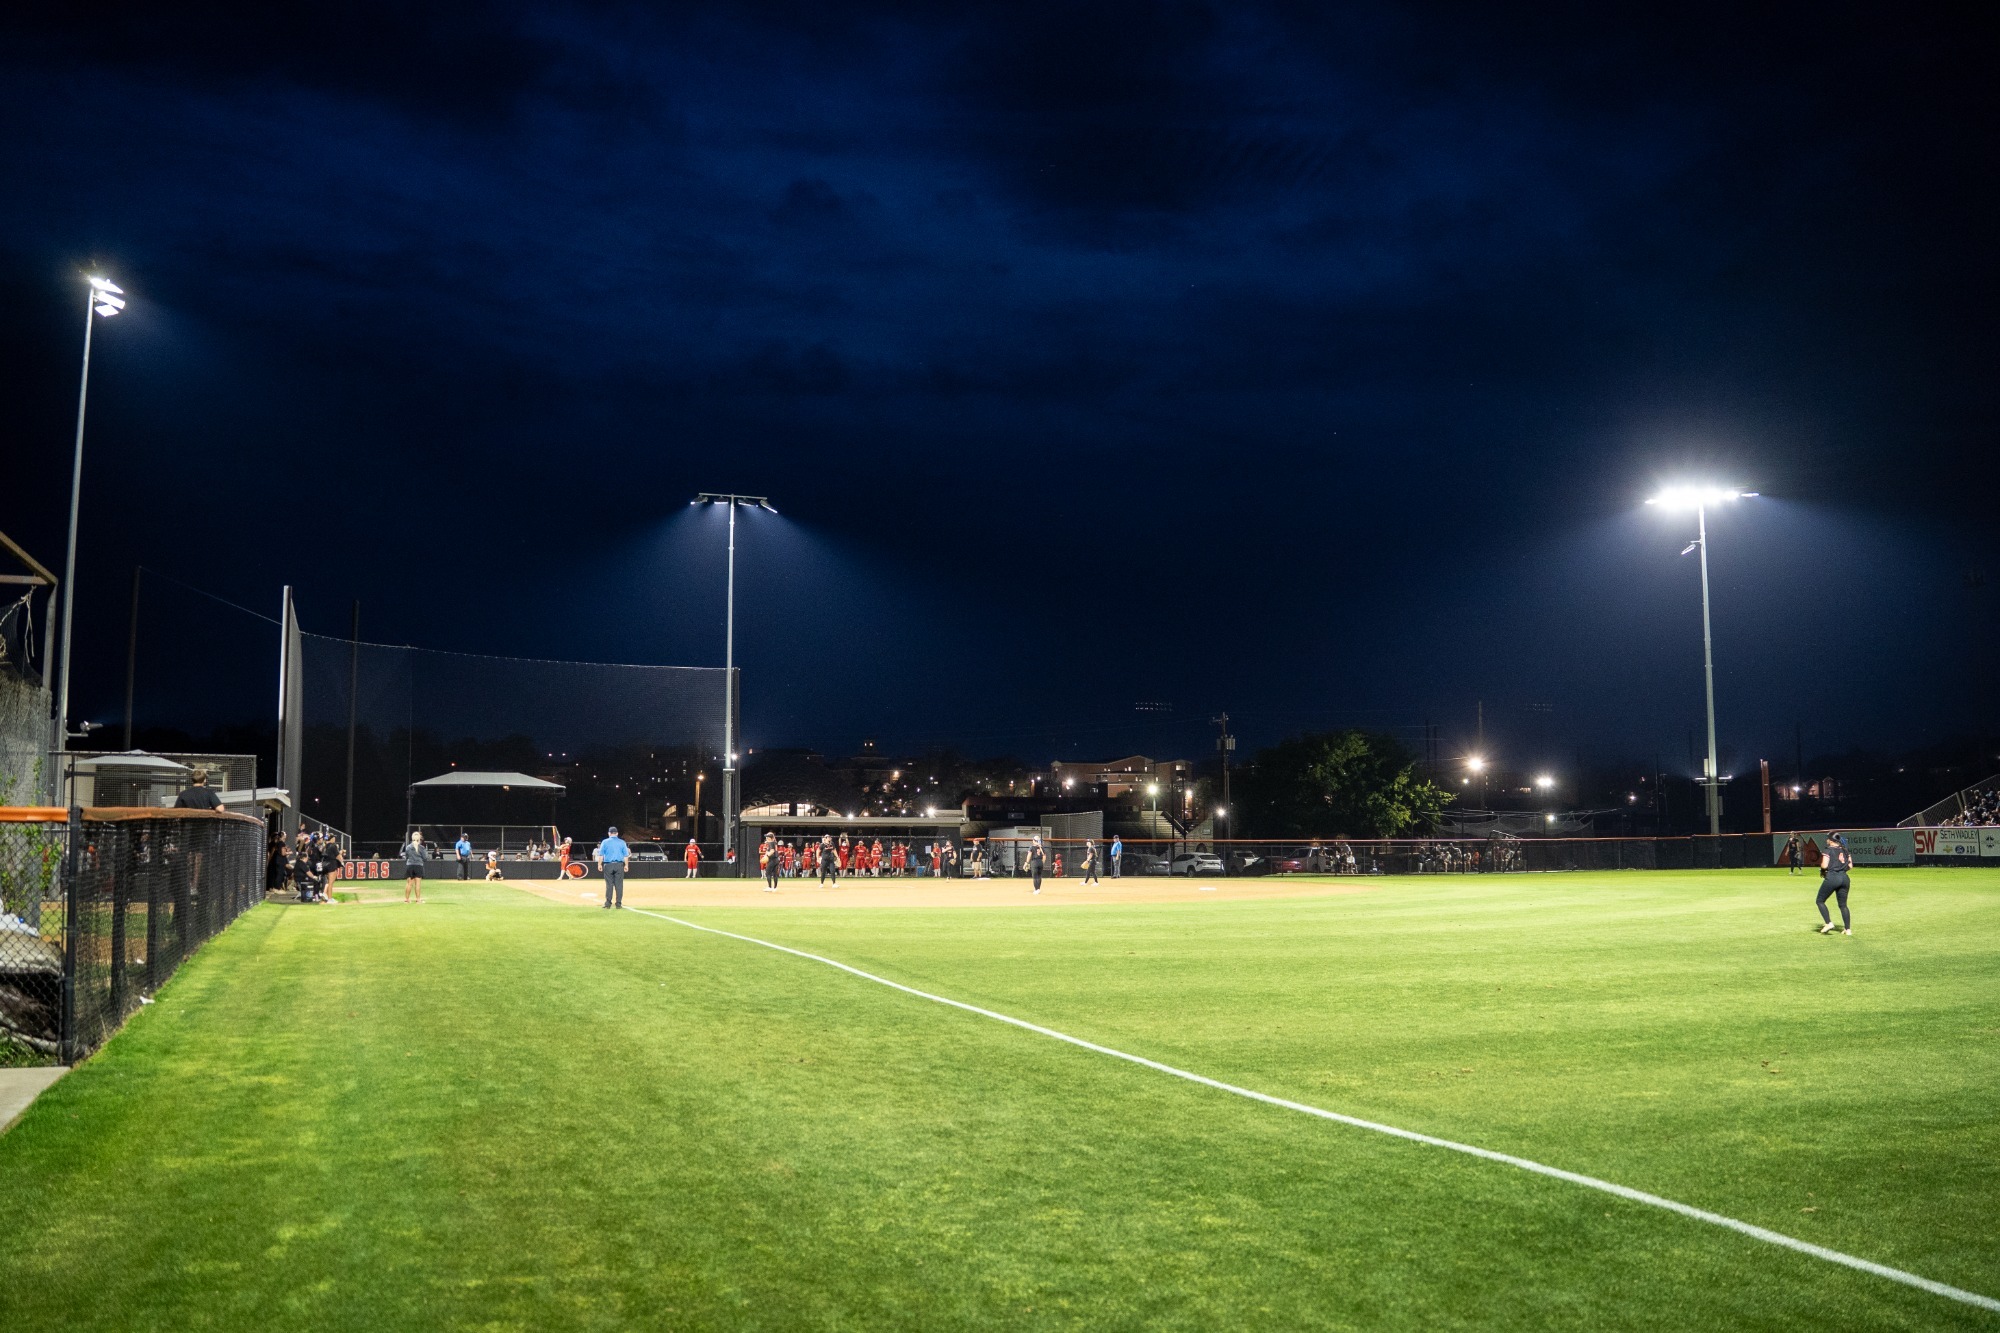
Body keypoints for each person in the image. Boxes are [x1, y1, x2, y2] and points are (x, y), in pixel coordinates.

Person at [1816, 832, 1854, 935]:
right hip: (1845, 878)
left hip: (1833, 877)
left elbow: (1824, 865)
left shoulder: (1828, 850)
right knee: (1843, 905)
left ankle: (1828, 923)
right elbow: (1850, 866)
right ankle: (1848, 929)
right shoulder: (1845, 850)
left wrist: (1826, 871)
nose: (1826, 840)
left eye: (1828, 838)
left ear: (1831, 840)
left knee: (1820, 901)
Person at [597, 826, 630, 909]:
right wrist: (626, 865)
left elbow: (601, 855)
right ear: (617, 834)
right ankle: (618, 904)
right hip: (619, 865)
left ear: (609, 833)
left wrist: (599, 864)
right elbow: (626, 856)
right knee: (619, 885)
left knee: (609, 885)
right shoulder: (622, 842)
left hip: (608, 865)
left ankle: (608, 903)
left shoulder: (605, 842)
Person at [400, 830, 427, 904]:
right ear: (419, 839)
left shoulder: (408, 847)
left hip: (410, 865)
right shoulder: (421, 847)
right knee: (417, 884)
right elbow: (425, 858)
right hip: (418, 866)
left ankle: (407, 899)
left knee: (409, 883)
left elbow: (407, 856)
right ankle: (418, 900)